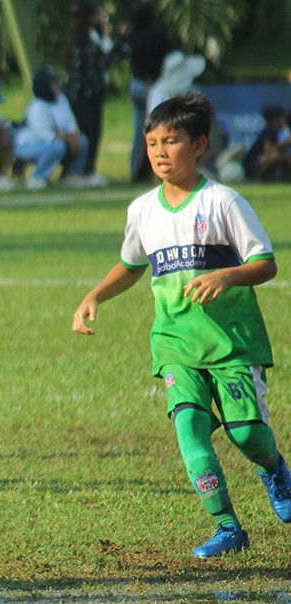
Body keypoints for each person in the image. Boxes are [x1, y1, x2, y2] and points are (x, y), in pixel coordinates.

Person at [72, 93, 291, 558]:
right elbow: (131, 264)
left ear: (199, 146)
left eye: (171, 141)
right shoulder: (142, 210)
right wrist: (94, 295)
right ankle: (228, 526)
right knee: (189, 428)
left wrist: (227, 275)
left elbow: (266, 262)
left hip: (231, 343)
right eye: (152, 142)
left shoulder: (223, 202)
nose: (159, 151)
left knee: (247, 435)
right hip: (175, 343)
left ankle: (273, 467)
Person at [63, 2, 126, 183]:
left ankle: (88, 170)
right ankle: (85, 171)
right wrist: (121, 40)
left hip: (90, 94)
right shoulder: (84, 39)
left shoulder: (88, 36)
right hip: (84, 95)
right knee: (89, 132)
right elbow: (104, 60)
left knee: (93, 132)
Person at [14, 65, 90, 190]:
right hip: (30, 146)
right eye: (53, 83)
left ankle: (71, 176)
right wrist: (67, 138)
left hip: (56, 142)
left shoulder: (61, 100)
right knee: (57, 146)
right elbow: (46, 137)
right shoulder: (37, 107)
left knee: (82, 140)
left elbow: (70, 126)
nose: (57, 85)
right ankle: (38, 178)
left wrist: (73, 137)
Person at [125, 1, 172, 182]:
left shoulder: (133, 36)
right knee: (154, 132)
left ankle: (134, 171)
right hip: (150, 87)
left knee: (139, 131)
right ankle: (153, 171)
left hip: (135, 84)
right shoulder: (155, 36)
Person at [241, 106, 291, 182]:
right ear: (274, 120)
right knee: (274, 157)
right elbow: (268, 151)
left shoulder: (276, 132)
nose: (283, 121)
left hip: (257, 162)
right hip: (252, 164)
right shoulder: (269, 131)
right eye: (281, 118)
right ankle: (256, 179)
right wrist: (286, 142)